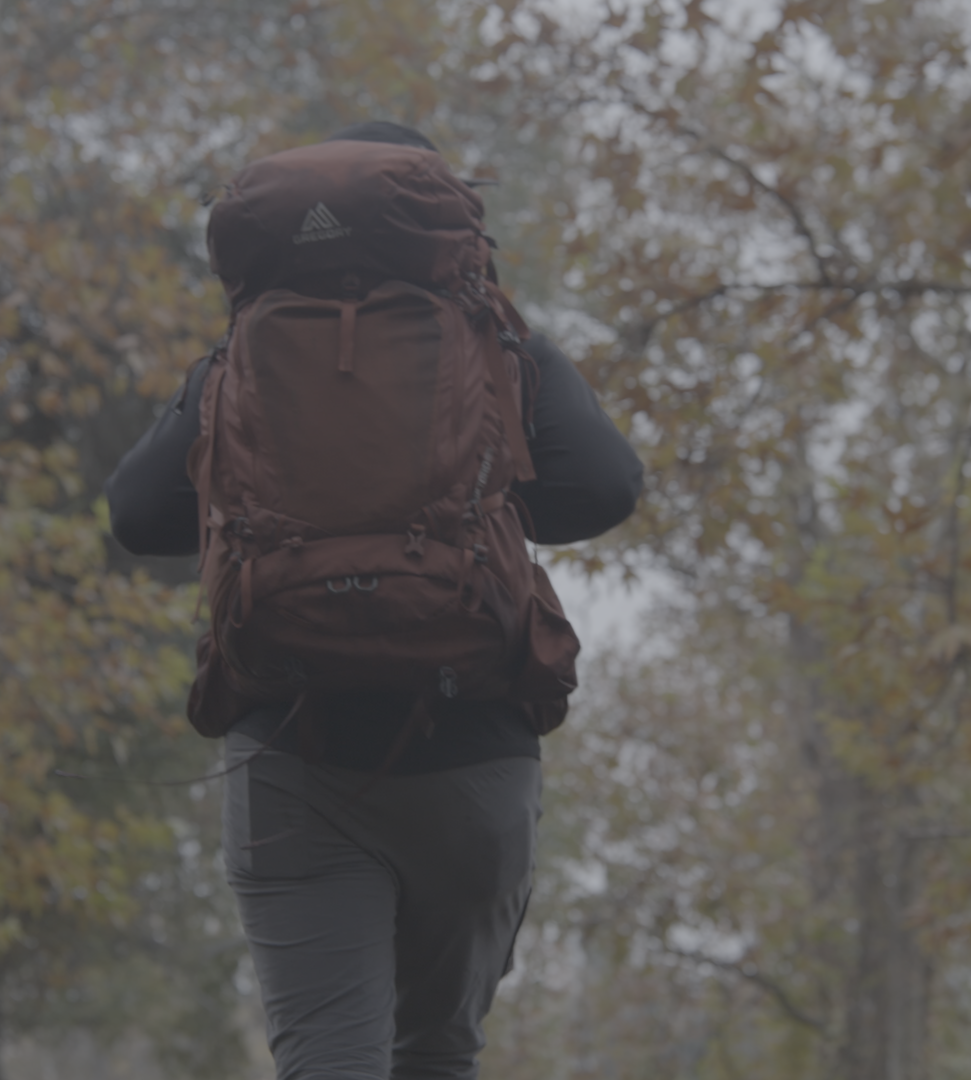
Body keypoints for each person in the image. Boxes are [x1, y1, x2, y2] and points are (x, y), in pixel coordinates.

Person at [103, 120, 643, 1080]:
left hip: (291, 758)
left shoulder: (246, 354)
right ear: (450, 221)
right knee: (436, 1054)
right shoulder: (497, 342)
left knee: (327, 1063)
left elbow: (138, 513)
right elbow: (604, 488)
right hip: (471, 754)